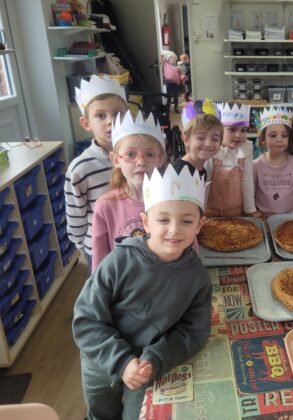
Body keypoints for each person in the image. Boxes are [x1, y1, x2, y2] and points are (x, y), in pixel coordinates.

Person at [73, 164, 211, 420]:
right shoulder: (118, 262)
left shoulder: (197, 277)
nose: (174, 230)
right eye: (162, 220)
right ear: (146, 222)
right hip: (102, 361)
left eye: (187, 221)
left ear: (200, 225)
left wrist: (158, 357)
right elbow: (86, 318)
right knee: (101, 413)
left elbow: (194, 331)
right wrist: (121, 361)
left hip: (149, 368)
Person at [65, 75, 128, 270]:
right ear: (86, 123)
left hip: (134, 240)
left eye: (118, 113)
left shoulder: (138, 157)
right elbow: (76, 216)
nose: (111, 121)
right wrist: (85, 247)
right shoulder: (80, 168)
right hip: (99, 246)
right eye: (101, 115)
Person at [91, 111, 166, 272]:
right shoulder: (105, 206)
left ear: (160, 159)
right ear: (116, 159)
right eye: (131, 154)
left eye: (150, 154)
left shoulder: (170, 201)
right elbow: (99, 262)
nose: (141, 162)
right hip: (124, 288)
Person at [205, 102, 259, 217]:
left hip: (236, 211)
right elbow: (206, 183)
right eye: (232, 129)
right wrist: (201, 210)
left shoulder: (246, 149)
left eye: (243, 130)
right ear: (219, 129)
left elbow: (247, 181)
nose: (239, 135)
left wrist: (250, 210)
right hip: (210, 212)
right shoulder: (211, 150)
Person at [253, 106, 293, 215]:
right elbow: (251, 194)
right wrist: (255, 213)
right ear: (263, 139)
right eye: (273, 135)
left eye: (284, 135)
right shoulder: (255, 166)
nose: (279, 139)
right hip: (263, 219)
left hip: (291, 220)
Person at [173, 99, 223, 180]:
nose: (208, 143)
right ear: (186, 139)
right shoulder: (181, 172)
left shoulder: (201, 169)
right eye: (201, 138)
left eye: (215, 139)